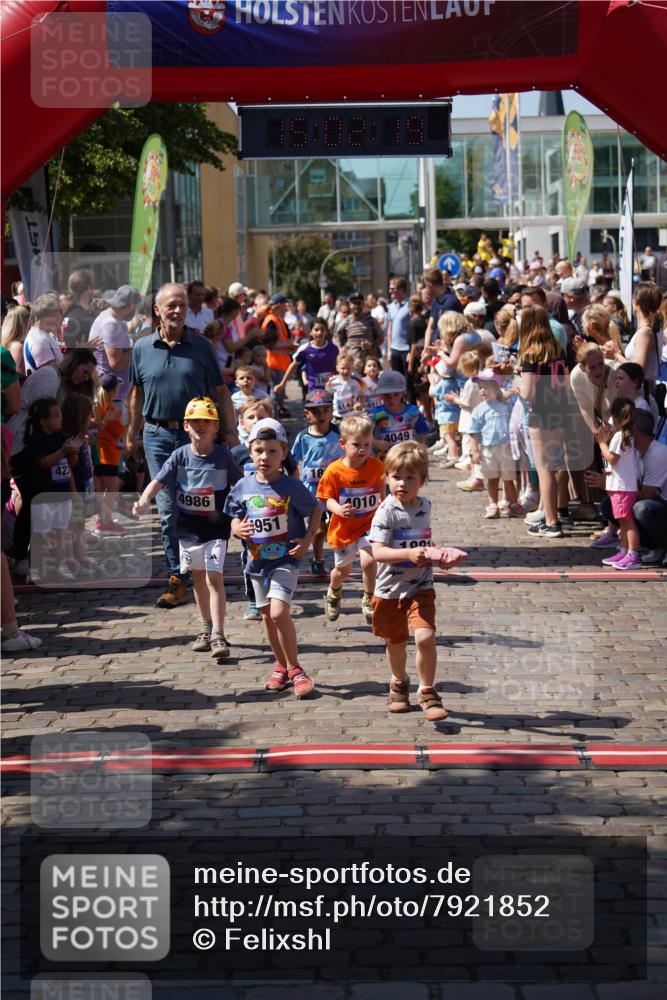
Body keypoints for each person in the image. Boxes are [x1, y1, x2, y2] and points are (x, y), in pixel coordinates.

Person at [126, 283, 237, 609]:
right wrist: (131, 434)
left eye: (182, 306)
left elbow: (221, 392)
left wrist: (230, 430)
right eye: (171, 305)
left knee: (199, 504)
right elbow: (137, 395)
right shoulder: (141, 348)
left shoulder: (201, 347)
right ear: (157, 310)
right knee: (167, 510)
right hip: (157, 436)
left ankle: (204, 569)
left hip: (197, 438)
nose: (177, 311)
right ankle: (178, 578)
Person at [134, 396, 242, 660]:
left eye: (206, 421)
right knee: (198, 579)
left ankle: (218, 633)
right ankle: (205, 627)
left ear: (216, 426)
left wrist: (245, 512)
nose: (200, 425)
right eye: (195, 421)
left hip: (216, 529)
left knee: (214, 577)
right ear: (185, 426)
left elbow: (241, 486)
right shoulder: (179, 455)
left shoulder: (223, 456)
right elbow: (158, 481)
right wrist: (144, 500)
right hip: (189, 531)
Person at [225, 418, 322, 697]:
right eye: (259, 451)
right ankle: (281, 666)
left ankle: (296, 669)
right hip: (256, 563)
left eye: (272, 451)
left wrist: (307, 540)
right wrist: (236, 528)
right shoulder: (243, 485)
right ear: (250, 452)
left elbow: (315, 510)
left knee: (279, 612)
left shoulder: (291, 486)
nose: (264, 457)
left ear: (283, 453)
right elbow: (234, 515)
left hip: (285, 559)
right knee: (267, 616)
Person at [369, 441, 466, 720]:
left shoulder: (425, 506)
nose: (402, 483)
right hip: (389, 589)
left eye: (410, 477)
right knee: (396, 643)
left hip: (421, 586)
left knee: (425, 636)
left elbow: (423, 543)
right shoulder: (386, 511)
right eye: (396, 476)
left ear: (422, 480)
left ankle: (427, 691)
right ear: (387, 478)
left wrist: (439, 556)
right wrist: (408, 554)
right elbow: (378, 552)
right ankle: (399, 683)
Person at [317, 414, 384, 625]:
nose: (362, 450)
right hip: (344, 529)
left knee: (369, 561)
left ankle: (368, 598)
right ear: (343, 444)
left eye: (367, 445)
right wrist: (338, 509)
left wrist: (385, 508)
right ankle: (334, 590)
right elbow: (325, 498)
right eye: (356, 445)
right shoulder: (334, 471)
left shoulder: (376, 466)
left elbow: (382, 491)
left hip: (369, 525)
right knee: (342, 571)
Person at [24, 398, 82, 582]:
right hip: (43, 496)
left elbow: (71, 464)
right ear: (43, 421)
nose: (60, 419)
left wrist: (74, 451)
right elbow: (43, 463)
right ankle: (34, 570)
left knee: (61, 532)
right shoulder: (36, 440)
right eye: (56, 416)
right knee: (39, 534)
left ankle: (61, 566)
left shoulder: (61, 437)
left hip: (62, 494)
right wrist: (63, 451)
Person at [291, 389, 343, 576]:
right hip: (313, 492)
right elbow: (292, 461)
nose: (321, 415)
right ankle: (318, 560)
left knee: (338, 527)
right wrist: (294, 484)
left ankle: (341, 562)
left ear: (331, 411)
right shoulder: (303, 437)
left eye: (325, 410)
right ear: (307, 413)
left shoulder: (339, 433)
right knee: (318, 530)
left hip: (337, 491)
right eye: (315, 411)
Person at [469, 370, 523, 518]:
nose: (483, 390)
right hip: (487, 450)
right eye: (480, 387)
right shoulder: (479, 410)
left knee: (508, 478)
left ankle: (513, 503)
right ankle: (493, 505)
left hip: (506, 448)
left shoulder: (506, 405)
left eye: (486, 387)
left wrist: (511, 393)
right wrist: (474, 451)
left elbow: (507, 400)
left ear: (497, 388)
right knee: (492, 479)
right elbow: (474, 432)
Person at [596, 398, 641, 570]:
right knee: (623, 522)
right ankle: (623, 550)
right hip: (621, 486)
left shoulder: (619, 436)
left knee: (627, 522)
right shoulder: (625, 436)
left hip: (622, 487)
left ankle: (632, 554)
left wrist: (602, 444)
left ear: (615, 417)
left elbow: (612, 459)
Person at [604, 282, 663, 388]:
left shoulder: (645, 332)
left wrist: (616, 355)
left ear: (634, 301)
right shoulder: (652, 327)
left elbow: (638, 369)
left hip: (641, 390)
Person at [88, 284, 140, 402]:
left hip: (114, 397)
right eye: (136, 307)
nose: (135, 311)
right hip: (110, 399)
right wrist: (138, 345)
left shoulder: (114, 320)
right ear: (131, 306)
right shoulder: (110, 324)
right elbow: (116, 364)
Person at [93, 373, 127, 535]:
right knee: (112, 490)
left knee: (100, 490)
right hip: (108, 456)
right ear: (113, 391)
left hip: (98, 455)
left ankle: (101, 521)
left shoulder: (96, 408)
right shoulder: (110, 410)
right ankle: (106, 521)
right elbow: (119, 432)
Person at [369, 370, 429, 455]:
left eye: (396, 394)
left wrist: (421, 448)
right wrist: (376, 443)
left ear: (403, 393)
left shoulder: (413, 412)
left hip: (408, 457)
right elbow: (362, 435)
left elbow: (423, 431)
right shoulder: (375, 413)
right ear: (381, 394)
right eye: (386, 395)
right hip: (383, 458)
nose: (391, 399)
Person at [275, 319, 338, 397]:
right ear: (311, 332)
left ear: (326, 332)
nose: (319, 332)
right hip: (314, 392)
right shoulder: (305, 348)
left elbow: (341, 365)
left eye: (322, 330)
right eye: (316, 330)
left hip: (333, 392)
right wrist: (282, 384)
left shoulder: (334, 348)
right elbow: (293, 365)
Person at [261, 294, 295, 417]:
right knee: (274, 395)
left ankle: (279, 413)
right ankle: (272, 419)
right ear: (279, 305)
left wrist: (289, 345)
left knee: (279, 393)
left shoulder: (279, 319)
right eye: (285, 304)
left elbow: (286, 338)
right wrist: (289, 346)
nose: (286, 307)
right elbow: (268, 344)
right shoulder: (271, 321)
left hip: (281, 362)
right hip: (273, 362)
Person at [336, 291, 383, 372]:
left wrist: (371, 345)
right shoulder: (344, 323)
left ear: (363, 304)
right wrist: (343, 349)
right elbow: (339, 340)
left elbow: (381, 339)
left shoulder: (371, 321)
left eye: (359, 303)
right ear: (349, 305)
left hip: (369, 366)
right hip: (352, 366)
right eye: (354, 303)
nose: (356, 306)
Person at [422, 268, 461, 351]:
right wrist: (426, 349)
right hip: (436, 350)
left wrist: (435, 350)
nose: (425, 289)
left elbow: (450, 334)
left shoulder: (450, 302)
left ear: (429, 285)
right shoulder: (436, 300)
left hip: (447, 351)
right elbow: (430, 327)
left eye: (425, 285)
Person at [23, 293, 63, 374]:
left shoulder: (43, 335)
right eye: (60, 311)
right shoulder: (39, 339)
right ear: (51, 314)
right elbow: (52, 374)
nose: (61, 315)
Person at [61, 269, 96, 349]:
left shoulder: (69, 314)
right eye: (93, 287)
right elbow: (66, 351)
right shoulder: (75, 318)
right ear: (89, 288)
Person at [326, 351, 364, 421]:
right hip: (338, 416)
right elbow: (327, 395)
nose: (346, 371)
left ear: (353, 368)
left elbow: (364, 393)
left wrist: (360, 402)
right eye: (343, 368)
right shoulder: (332, 381)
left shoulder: (358, 381)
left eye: (348, 368)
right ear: (337, 368)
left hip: (353, 415)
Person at [387, 276, 411, 377]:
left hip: (406, 350)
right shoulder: (391, 306)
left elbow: (413, 330)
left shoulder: (410, 305)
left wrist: (411, 352)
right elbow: (390, 329)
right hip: (394, 349)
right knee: (396, 380)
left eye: (393, 289)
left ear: (401, 289)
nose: (390, 291)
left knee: (407, 380)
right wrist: (389, 350)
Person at [2, 304, 30, 377]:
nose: (31, 324)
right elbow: (20, 377)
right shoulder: (17, 346)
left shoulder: (9, 343)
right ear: (20, 324)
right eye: (28, 321)